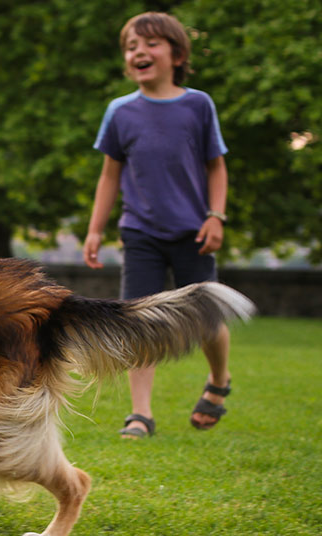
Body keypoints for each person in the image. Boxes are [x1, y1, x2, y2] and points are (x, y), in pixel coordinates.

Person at [82, 11, 232, 438]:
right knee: (140, 321)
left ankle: (219, 381)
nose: (139, 52)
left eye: (150, 44)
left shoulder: (198, 105)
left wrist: (215, 216)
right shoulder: (120, 112)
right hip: (141, 232)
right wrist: (95, 229)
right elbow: (110, 175)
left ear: (177, 54)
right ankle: (140, 414)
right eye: (131, 47)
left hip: (194, 232)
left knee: (207, 318)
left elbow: (216, 167)